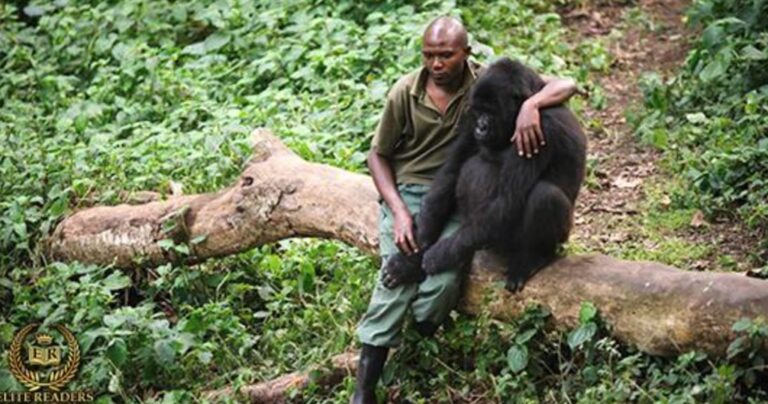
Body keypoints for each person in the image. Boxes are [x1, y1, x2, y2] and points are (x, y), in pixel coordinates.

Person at [352, 16, 578, 403]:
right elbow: (449, 174)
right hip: (434, 197)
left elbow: (508, 206)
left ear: (465, 55)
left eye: (445, 55)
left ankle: (533, 258)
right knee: (403, 272)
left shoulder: (536, 125)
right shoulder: (438, 93)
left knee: (542, 199)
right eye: (429, 55)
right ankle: (365, 389)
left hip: (534, 221)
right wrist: (419, 239)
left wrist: (440, 253)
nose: (482, 125)